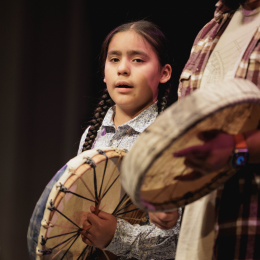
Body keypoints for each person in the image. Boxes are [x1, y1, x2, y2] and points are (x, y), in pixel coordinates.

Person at [149, 1, 260, 259]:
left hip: (247, 225)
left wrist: (235, 150)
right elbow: (190, 131)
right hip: (197, 234)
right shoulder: (210, 31)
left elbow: (228, 149)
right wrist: (169, 189)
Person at [77, 20, 181, 260]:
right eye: (114, 59)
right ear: (104, 73)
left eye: (138, 60)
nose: (123, 68)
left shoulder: (170, 139)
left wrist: (116, 236)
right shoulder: (91, 135)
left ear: (164, 73)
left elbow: (178, 237)